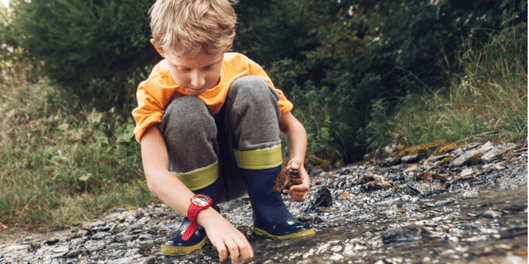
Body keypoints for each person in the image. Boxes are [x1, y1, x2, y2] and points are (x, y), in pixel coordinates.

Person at [132, 0, 315, 262]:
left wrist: (296, 164)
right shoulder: (153, 89)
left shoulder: (243, 66)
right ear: (159, 49)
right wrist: (209, 218)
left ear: (226, 46)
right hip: (195, 192)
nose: (197, 81)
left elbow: (293, 127)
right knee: (184, 109)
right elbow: (155, 174)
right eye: (184, 68)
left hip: (250, 174)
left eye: (208, 66)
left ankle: (270, 208)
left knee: (253, 87)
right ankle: (195, 220)